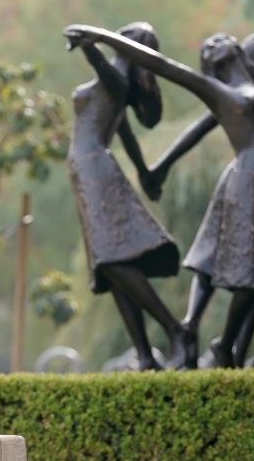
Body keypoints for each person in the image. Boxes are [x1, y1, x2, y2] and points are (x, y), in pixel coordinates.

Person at [63, 24, 254, 370]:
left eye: (220, 41)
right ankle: (210, 340)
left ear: (240, 51)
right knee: (239, 269)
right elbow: (165, 66)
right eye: (207, 48)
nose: (213, 44)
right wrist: (100, 39)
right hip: (246, 180)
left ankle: (237, 352)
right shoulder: (219, 94)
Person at [64, 20, 193, 370]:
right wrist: (144, 171)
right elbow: (129, 139)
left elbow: (102, 65)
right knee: (110, 263)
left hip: (94, 169)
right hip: (86, 171)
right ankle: (146, 355)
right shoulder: (116, 89)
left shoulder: (117, 83)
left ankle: (175, 329)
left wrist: (91, 44)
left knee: (111, 258)